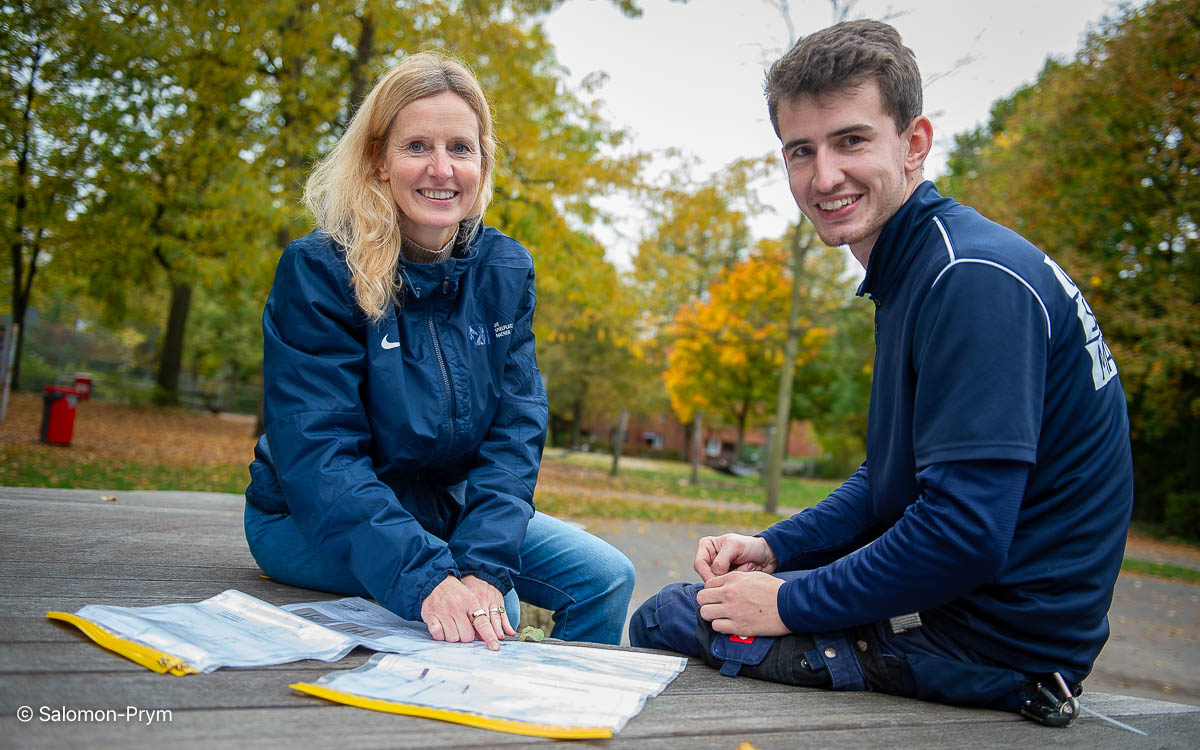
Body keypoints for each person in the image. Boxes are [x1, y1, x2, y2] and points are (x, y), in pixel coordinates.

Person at [629, 19, 1134, 722]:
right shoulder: (925, 265)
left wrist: (788, 602)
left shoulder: (968, 280)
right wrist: (775, 548)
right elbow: (890, 480)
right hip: (965, 610)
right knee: (717, 600)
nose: (824, 175)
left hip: (989, 644)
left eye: (852, 141)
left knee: (668, 617)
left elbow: (963, 534)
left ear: (914, 143)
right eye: (800, 150)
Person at [244, 52, 635, 650]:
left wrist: (482, 561)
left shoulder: (505, 269)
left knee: (605, 578)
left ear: (482, 161)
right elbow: (319, 451)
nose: (441, 168)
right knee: (490, 606)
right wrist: (432, 576)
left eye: (460, 148)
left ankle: (562, 712)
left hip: (444, 508)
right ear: (379, 160)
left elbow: (515, 433)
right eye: (417, 146)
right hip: (307, 518)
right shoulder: (320, 270)